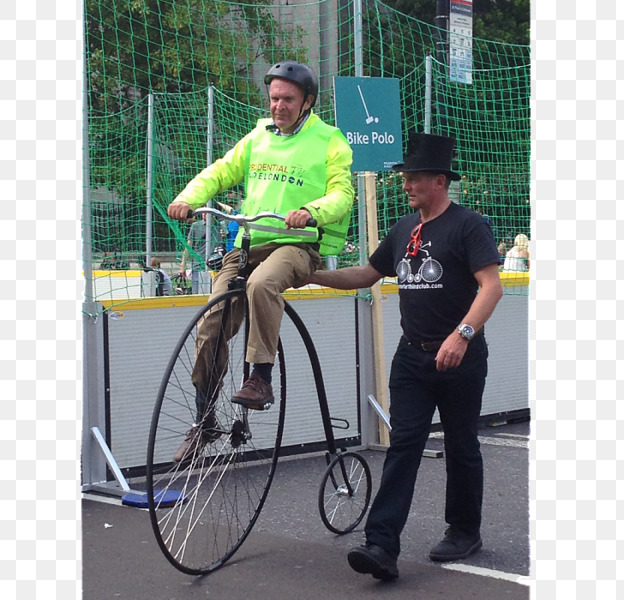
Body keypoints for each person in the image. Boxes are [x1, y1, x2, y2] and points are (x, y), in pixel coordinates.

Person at [305, 132, 503, 580]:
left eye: (413, 178)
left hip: (461, 356)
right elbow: (365, 275)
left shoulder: (468, 225)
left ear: (439, 180)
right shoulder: (403, 229)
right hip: (412, 358)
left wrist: (463, 335)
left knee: (461, 445)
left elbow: (491, 286)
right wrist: (310, 276)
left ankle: (464, 530)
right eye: (404, 178)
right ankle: (381, 546)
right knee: (404, 446)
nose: (406, 184)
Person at [166, 60, 355, 461]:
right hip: (249, 244)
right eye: (273, 98)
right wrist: (189, 198)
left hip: (297, 246)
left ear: (307, 102)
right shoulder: (258, 136)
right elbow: (220, 172)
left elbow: (343, 195)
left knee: (262, 283)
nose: (278, 106)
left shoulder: (330, 140)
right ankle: (205, 420)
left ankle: (261, 379)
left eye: (287, 99)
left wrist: (311, 210)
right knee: (212, 320)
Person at [181, 212, 222, 294]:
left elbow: (231, 211)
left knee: (213, 294)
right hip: (198, 266)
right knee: (196, 294)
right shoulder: (196, 226)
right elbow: (188, 246)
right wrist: (183, 265)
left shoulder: (221, 225)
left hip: (215, 267)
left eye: (206, 213)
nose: (203, 215)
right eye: (203, 212)